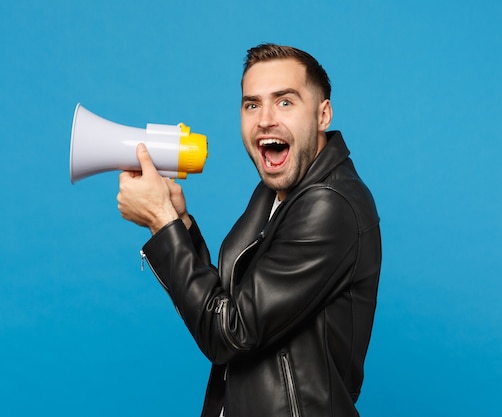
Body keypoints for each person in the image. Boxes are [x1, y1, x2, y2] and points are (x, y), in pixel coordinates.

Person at [117, 43, 382, 417]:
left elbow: (229, 331)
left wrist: (161, 224)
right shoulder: (275, 191)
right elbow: (228, 299)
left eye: (285, 102)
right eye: (252, 104)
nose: (265, 119)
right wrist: (180, 223)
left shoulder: (329, 205)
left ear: (323, 115)